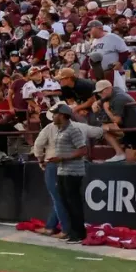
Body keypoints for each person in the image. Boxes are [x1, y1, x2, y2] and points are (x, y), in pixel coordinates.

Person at [49, 104, 88, 243]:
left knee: (73, 203)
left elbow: (83, 150)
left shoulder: (73, 130)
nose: (53, 116)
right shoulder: (60, 130)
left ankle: (79, 233)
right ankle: (72, 232)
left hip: (73, 172)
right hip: (62, 170)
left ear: (62, 115)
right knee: (66, 202)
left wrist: (63, 158)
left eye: (55, 114)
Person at [34, 108, 71, 238]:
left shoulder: (49, 128)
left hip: (54, 163)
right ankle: (50, 226)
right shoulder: (74, 127)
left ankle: (66, 229)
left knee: (58, 198)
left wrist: (40, 159)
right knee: (62, 197)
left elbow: (38, 145)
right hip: (70, 164)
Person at [95, 80, 136, 162]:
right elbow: (104, 99)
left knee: (131, 159)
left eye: (101, 92)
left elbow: (117, 120)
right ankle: (120, 153)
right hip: (127, 129)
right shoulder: (115, 91)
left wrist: (106, 109)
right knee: (103, 129)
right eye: (98, 93)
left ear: (108, 89)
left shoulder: (119, 98)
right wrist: (98, 102)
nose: (99, 94)